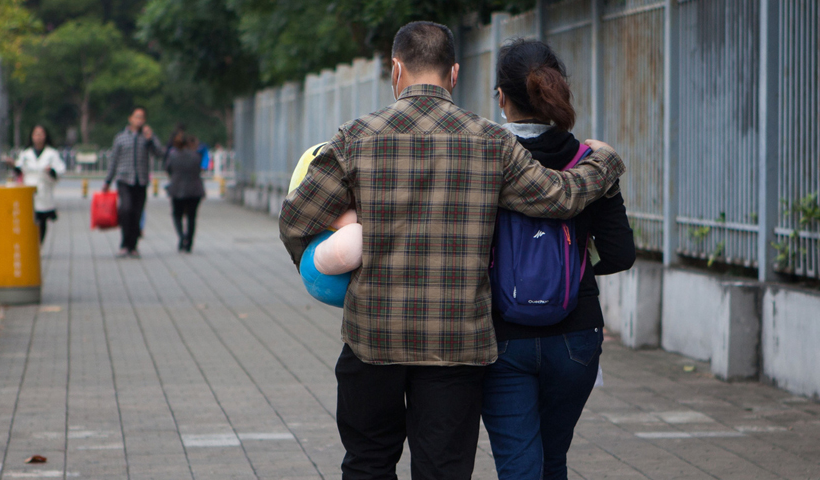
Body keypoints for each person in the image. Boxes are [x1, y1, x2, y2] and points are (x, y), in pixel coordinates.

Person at [278, 21, 625, 480]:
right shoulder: (492, 142)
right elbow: (559, 198)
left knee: (366, 463)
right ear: (455, 73)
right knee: (443, 470)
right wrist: (605, 162)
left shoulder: (355, 137)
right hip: (456, 345)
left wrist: (325, 270)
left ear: (396, 69)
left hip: (372, 339)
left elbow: (296, 219)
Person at [481, 38, 635, 480]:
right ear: (556, 89)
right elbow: (620, 253)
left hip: (500, 336)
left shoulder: (484, 158)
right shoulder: (591, 161)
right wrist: (577, 269)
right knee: (553, 460)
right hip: (576, 334)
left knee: (519, 465)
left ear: (501, 97)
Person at [104, 107, 162, 258]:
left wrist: (150, 139)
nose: (139, 120)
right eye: (136, 117)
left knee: (137, 213)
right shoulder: (121, 138)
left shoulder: (147, 137)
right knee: (126, 209)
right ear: (130, 118)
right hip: (124, 179)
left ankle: (133, 245)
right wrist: (107, 181)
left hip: (141, 180)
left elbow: (159, 154)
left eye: (142, 117)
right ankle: (124, 244)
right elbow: (114, 160)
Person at [15, 125, 66, 243]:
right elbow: (19, 168)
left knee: (41, 220)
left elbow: (59, 170)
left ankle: (39, 244)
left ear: (45, 136)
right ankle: (31, 244)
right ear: (31, 136)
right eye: (36, 134)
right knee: (29, 220)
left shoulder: (51, 153)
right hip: (29, 190)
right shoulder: (26, 154)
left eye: (41, 134)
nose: (38, 137)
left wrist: (51, 171)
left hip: (44, 190)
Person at [164, 131, 206, 253]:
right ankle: (189, 241)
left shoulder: (172, 156)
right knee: (192, 217)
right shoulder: (196, 156)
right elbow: (199, 170)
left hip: (177, 189)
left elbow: (168, 169)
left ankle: (181, 236)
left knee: (177, 215)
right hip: (194, 189)